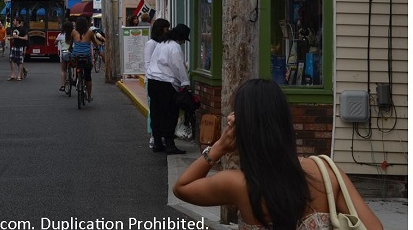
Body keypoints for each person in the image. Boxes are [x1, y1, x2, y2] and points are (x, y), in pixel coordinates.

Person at [174, 78, 384, 230]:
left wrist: (220, 146)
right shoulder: (325, 171)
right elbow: (374, 227)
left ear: (243, 128)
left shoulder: (238, 184)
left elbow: (182, 188)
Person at [147, 23, 191, 154]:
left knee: (156, 113)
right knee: (170, 114)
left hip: (153, 81)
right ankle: (170, 144)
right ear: (180, 37)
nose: (184, 42)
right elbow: (179, 67)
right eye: (184, 39)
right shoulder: (175, 47)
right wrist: (185, 83)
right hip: (166, 83)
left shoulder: (161, 44)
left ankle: (158, 143)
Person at [144, 18, 170, 148]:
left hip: (162, 80)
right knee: (153, 110)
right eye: (166, 28)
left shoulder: (163, 43)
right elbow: (147, 63)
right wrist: (152, 77)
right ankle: (153, 136)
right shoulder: (151, 43)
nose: (168, 31)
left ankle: (160, 135)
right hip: (152, 80)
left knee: (161, 110)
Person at [70, 17, 95, 102]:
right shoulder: (90, 32)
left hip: (76, 57)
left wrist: (71, 48)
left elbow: (71, 43)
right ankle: (89, 96)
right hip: (86, 57)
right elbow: (95, 42)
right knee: (88, 76)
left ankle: (76, 78)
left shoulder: (73, 32)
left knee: (75, 66)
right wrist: (98, 49)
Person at [56, 20, 74, 91]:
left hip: (64, 53)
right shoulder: (73, 34)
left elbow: (55, 42)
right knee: (75, 66)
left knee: (63, 70)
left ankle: (63, 85)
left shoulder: (60, 35)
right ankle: (75, 78)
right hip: (72, 53)